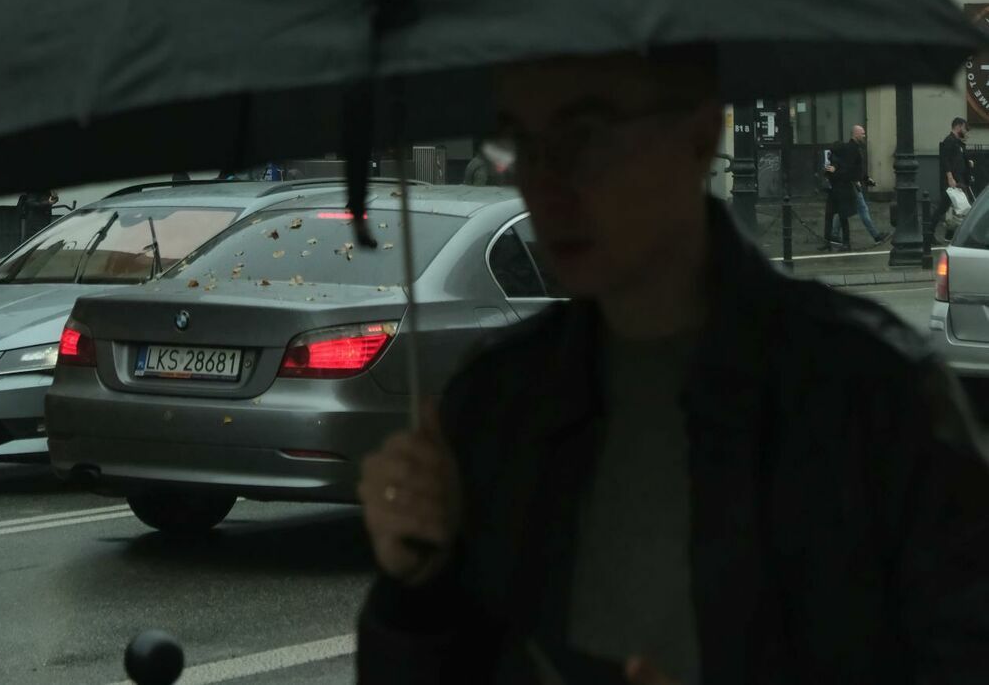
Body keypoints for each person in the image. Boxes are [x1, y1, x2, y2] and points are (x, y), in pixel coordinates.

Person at [356, 49, 989, 683]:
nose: (546, 184)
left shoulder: (868, 391)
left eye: (584, 139)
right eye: (523, 143)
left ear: (696, 134)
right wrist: (415, 589)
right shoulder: (498, 399)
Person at [933, 117, 971, 244]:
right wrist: (950, 177)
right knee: (951, 209)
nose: (965, 131)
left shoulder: (957, 142)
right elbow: (946, 160)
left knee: (953, 209)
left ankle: (947, 235)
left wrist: (967, 163)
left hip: (958, 180)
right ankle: (933, 233)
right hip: (952, 181)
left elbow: (958, 159)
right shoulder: (949, 141)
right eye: (964, 128)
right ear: (958, 126)